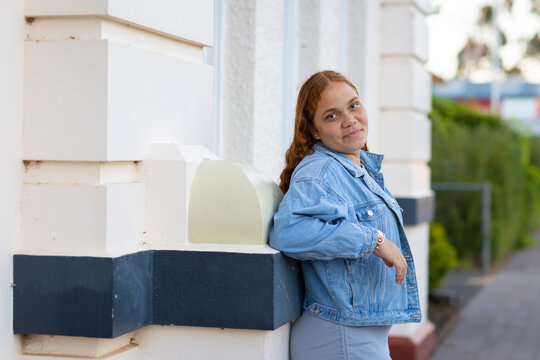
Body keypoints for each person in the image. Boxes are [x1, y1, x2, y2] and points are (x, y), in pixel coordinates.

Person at [269, 70, 421, 360]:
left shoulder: (357, 170)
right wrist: (374, 241)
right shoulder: (320, 171)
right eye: (331, 115)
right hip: (341, 336)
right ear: (313, 130)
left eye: (353, 105)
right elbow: (288, 231)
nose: (349, 119)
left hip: (357, 334)